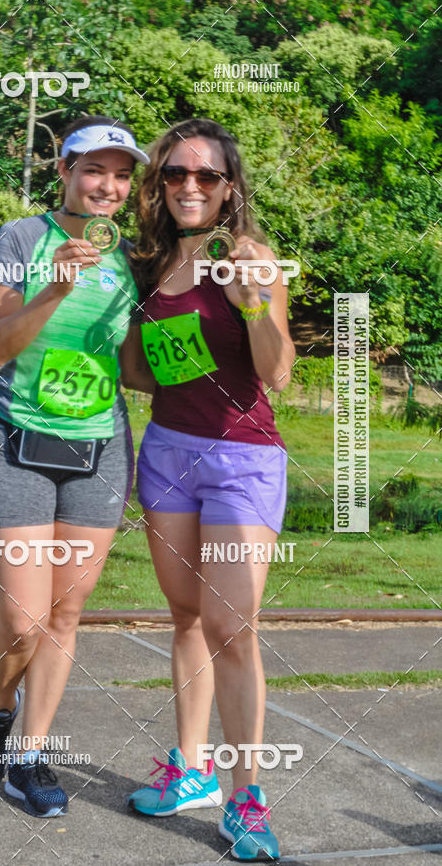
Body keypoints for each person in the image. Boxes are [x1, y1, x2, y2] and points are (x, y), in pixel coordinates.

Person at [0, 116, 149, 817]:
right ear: (65, 171)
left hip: (99, 449)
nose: (107, 185)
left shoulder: (133, 257)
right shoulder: (22, 238)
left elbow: (133, 369)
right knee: (21, 618)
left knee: (65, 612)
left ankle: (29, 756)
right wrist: (55, 290)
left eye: (121, 174)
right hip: (17, 442)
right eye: (93, 169)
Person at [127, 118, 295, 861]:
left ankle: (245, 796)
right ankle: (188, 767)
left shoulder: (250, 257)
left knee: (233, 627)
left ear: (230, 190)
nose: (189, 187)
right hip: (167, 450)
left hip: (242, 459)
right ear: (159, 184)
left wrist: (253, 298)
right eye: (175, 174)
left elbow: (277, 370)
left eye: (206, 176)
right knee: (188, 617)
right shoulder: (147, 263)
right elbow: (138, 374)